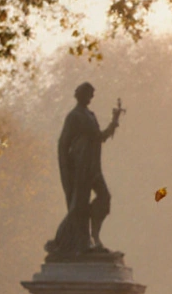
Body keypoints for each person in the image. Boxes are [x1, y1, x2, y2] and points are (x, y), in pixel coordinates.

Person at [46, 82, 121, 257]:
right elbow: (64, 143)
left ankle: (94, 237)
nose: (92, 97)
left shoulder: (90, 115)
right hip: (80, 167)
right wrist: (67, 169)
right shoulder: (74, 116)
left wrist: (115, 120)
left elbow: (99, 137)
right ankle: (68, 242)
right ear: (81, 95)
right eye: (90, 93)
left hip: (93, 167)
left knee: (104, 198)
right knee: (78, 207)